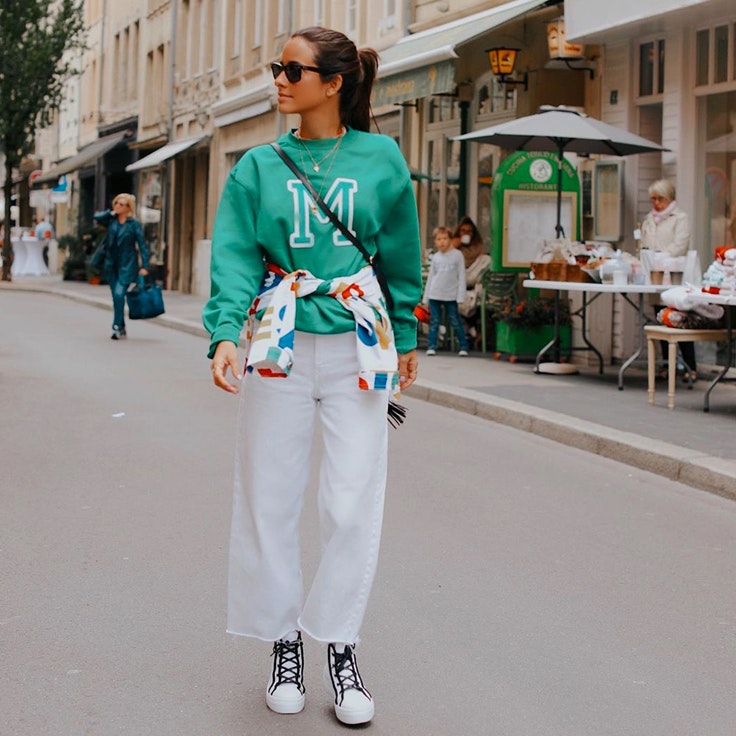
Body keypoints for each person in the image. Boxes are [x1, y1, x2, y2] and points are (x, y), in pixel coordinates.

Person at [203, 26, 422, 727]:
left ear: (333, 83)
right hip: (278, 346)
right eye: (276, 66)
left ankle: (341, 643)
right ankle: (282, 641)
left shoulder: (382, 158)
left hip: (360, 345)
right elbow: (235, 255)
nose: (278, 78)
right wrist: (222, 334)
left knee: (354, 502)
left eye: (291, 69)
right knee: (269, 498)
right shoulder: (259, 166)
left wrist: (411, 339)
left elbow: (402, 257)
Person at [641, 179, 696, 380]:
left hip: (675, 277)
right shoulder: (649, 219)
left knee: (680, 320)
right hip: (656, 277)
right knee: (661, 320)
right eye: (652, 199)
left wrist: (663, 256)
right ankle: (667, 365)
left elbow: (681, 243)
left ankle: (691, 366)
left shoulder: (679, 218)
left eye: (660, 199)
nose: (656, 203)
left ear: (669, 198)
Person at [92, 194, 150, 340]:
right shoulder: (111, 221)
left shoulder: (133, 225)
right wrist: (110, 213)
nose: (117, 206)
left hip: (127, 265)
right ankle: (122, 326)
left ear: (128, 208)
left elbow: (142, 246)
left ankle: (116, 327)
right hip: (111, 265)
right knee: (116, 297)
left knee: (119, 294)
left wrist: (145, 266)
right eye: (116, 203)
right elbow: (97, 218)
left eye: (121, 204)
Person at [423, 225, 470, 356]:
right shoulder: (436, 257)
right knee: (434, 321)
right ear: (435, 241)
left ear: (450, 239)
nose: (442, 241)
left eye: (445, 238)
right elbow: (431, 277)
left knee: (455, 320)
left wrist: (461, 296)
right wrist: (425, 298)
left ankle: (463, 345)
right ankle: (432, 345)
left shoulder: (457, 255)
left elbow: (461, 276)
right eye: (439, 239)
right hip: (435, 293)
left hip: (451, 294)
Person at [451, 216, 491, 346]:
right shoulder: (455, 246)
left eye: (469, 231)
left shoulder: (478, 247)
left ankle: (477, 334)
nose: (466, 234)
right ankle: (465, 334)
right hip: (458, 284)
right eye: (463, 231)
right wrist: (455, 243)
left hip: (475, 282)